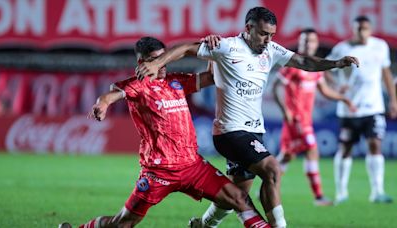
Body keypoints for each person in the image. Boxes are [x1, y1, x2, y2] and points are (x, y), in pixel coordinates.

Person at [136, 7, 359, 228]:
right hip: (230, 132)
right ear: (248, 28)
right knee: (272, 169)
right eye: (263, 33)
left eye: (271, 34)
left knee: (238, 191)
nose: (267, 40)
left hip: (254, 131)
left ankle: (204, 225)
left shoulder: (271, 49)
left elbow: (303, 62)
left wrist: (336, 63)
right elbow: (185, 49)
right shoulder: (227, 46)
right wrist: (156, 64)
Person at [59, 37, 271, 228]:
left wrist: (213, 52)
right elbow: (111, 95)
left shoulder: (175, 82)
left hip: (193, 166)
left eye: (164, 58)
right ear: (142, 63)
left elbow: (210, 77)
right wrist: (102, 104)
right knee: (124, 223)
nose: (162, 65)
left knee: (239, 199)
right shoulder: (137, 86)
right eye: (155, 60)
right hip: (159, 172)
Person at [272, 28, 356, 206]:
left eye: (310, 40)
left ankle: (267, 184)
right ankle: (318, 197)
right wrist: (285, 110)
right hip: (296, 119)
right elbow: (275, 87)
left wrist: (344, 99)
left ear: (316, 44)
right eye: (303, 41)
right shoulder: (293, 65)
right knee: (312, 150)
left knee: (287, 156)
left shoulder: (315, 69)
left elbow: (325, 91)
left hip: (305, 119)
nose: (306, 44)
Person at [325, 15, 397, 204]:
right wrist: (334, 86)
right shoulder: (343, 48)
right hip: (350, 109)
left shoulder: (380, 46)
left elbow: (386, 73)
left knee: (375, 145)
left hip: (374, 107)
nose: (362, 32)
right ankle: (341, 192)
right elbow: (324, 69)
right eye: (359, 29)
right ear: (353, 29)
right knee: (346, 148)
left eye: (365, 29)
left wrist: (393, 100)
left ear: (370, 29)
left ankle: (377, 191)